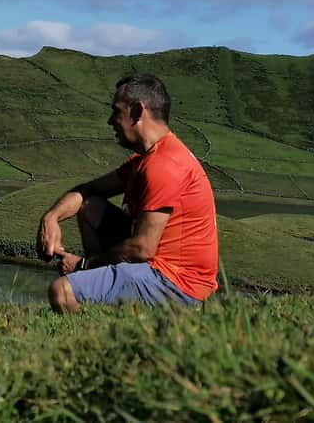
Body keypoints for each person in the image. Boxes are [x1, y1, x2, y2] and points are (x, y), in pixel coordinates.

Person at [39, 72, 218, 314]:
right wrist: (51, 218)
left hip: (179, 284)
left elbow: (142, 249)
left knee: (61, 292)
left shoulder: (164, 165)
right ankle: (100, 290)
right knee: (90, 206)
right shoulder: (145, 160)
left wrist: (83, 265)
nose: (110, 121)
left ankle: (96, 330)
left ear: (136, 111)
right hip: (156, 266)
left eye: (116, 111)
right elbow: (88, 190)